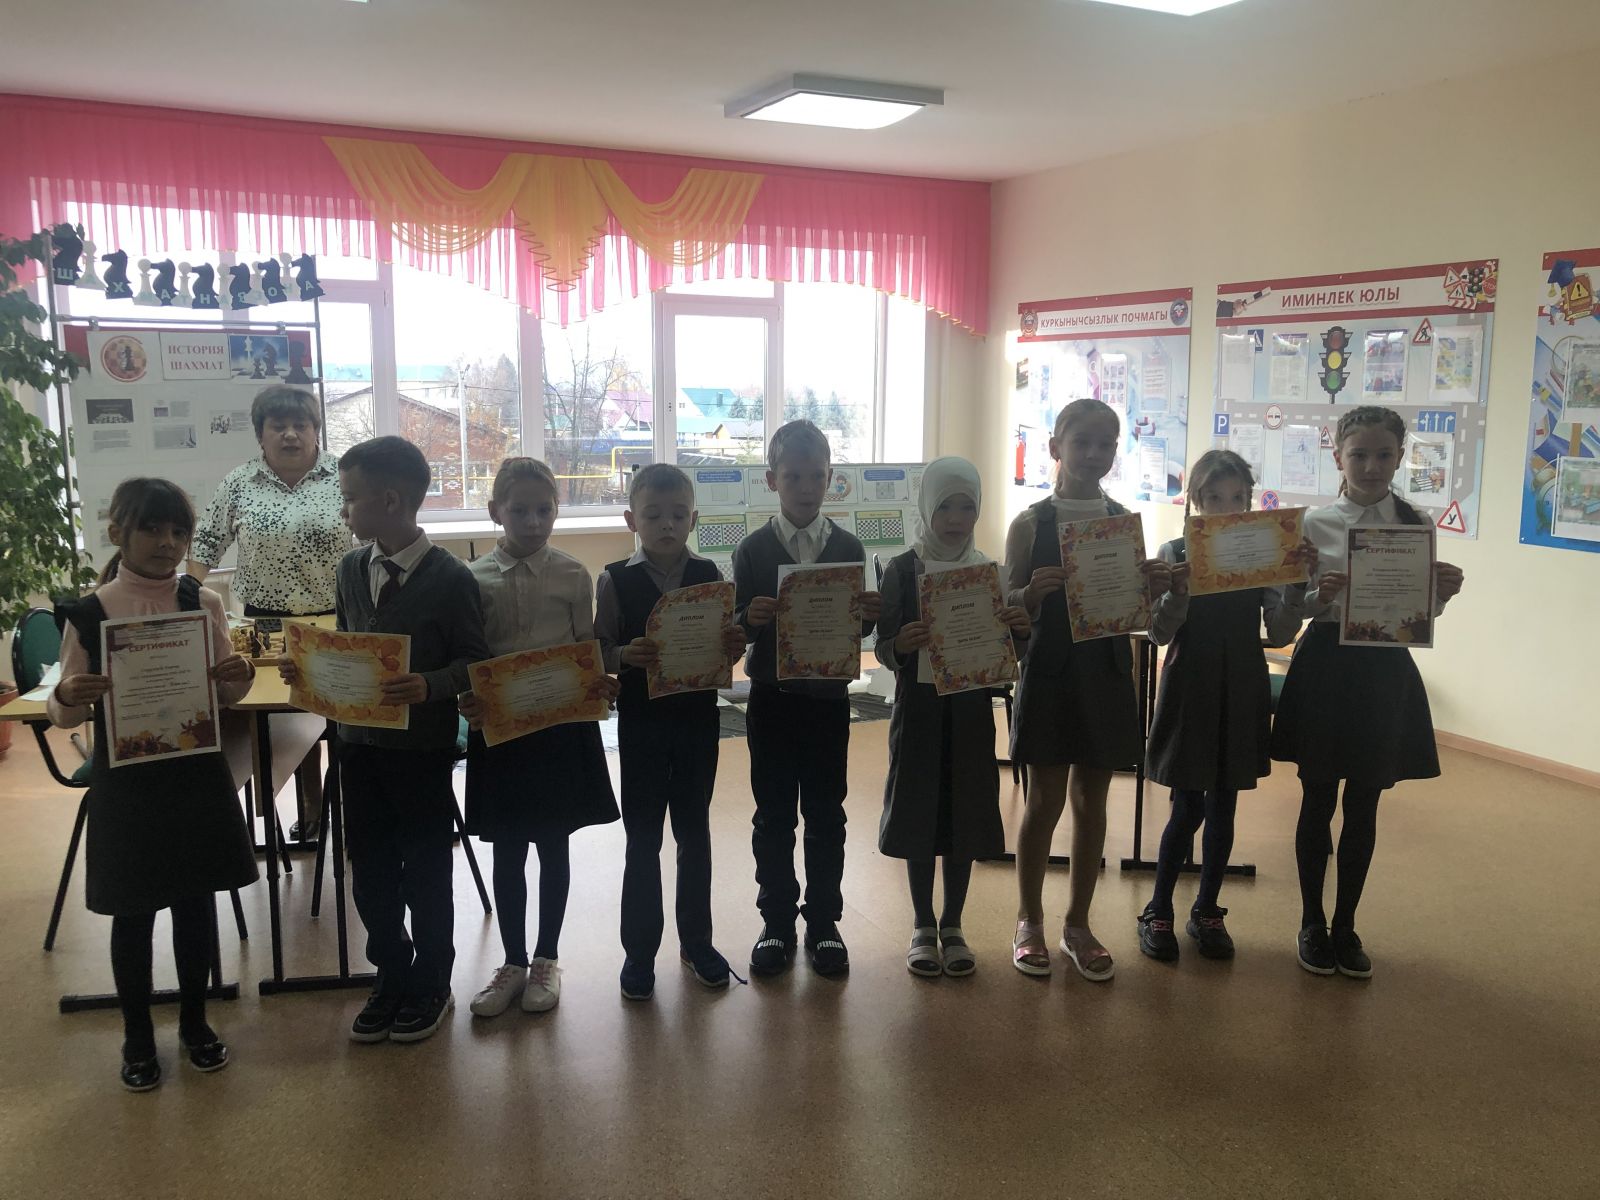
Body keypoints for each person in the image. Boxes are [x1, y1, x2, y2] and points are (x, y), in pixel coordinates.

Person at [49, 478, 259, 1092]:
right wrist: (69, 694)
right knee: (133, 911)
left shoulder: (203, 600)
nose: (167, 542)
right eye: (152, 529)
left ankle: (195, 1022)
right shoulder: (91, 612)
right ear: (118, 533)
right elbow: (62, 711)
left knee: (196, 904)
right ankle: (137, 1035)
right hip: (129, 781)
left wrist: (239, 673)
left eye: (178, 531)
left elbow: (226, 693)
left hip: (194, 771)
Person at [280, 436, 489, 1043]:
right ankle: (390, 972)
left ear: (391, 500)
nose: (343, 511)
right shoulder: (351, 569)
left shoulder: (450, 578)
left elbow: (475, 663)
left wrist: (428, 685)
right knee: (369, 870)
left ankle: (432, 982)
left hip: (420, 752)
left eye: (350, 499)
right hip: (357, 748)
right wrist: (309, 670)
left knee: (425, 870)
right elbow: (349, 647)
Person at [1271, 406, 1465, 979]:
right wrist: (1318, 595)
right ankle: (1311, 922)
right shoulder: (1312, 524)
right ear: (1338, 457)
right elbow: (1299, 608)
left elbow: (1419, 612)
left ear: (1400, 457)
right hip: (1326, 666)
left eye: (1384, 455)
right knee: (1317, 797)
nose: (1372, 465)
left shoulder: (1416, 522)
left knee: (1364, 803)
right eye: (1359, 454)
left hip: (1383, 671)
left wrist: (1443, 595)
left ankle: (1346, 925)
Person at [1004, 399, 1169, 980]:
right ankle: (1028, 919)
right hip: (1050, 673)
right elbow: (1006, 607)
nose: (1095, 454)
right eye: (1083, 442)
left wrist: (1151, 590)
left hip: (1106, 672)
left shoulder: (1123, 521)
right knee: (1044, 800)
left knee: (1092, 803)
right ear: (1056, 447)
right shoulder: (1030, 524)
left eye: (1107, 444)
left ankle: (1078, 922)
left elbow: (1136, 613)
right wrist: (1028, 595)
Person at [1135, 450, 1313, 963]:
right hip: (1190, 683)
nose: (1225, 508)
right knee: (1187, 805)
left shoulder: (1260, 554)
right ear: (1195, 500)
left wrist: (1296, 585)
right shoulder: (1174, 551)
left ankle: (1207, 910)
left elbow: (1281, 630)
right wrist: (1178, 593)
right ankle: (1159, 909)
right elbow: (1158, 632)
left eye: (1237, 498)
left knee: (1224, 804)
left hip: (1240, 683)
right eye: (1213, 497)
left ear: (1249, 502)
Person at [459, 459, 619, 1018]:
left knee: (554, 843)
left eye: (544, 510)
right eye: (519, 510)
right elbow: (469, 658)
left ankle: (547, 958)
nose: (532, 521)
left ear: (556, 511)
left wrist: (599, 682)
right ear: (495, 512)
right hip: (502, 734)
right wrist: (468, 699)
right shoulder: (472, 579)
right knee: (507, 847)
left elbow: (585, 649)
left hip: (559, 732)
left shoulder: (573, 575)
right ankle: (512, 961)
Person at [733, 420, 882, 977]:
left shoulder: (848, 547)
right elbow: (738, 630)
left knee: (825, 813)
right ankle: (775, 922)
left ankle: (823, 922)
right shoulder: (752, 549)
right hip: (771, 701)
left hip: (826, 703)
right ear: (772, 479)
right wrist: (749, 617)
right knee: (773, 816)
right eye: (793, 476)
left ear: (830, 478)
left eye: (816, 476)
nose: (805, 487)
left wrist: (868, 618)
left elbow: (856, 632)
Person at [875, 456, 1031, 977]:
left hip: (969, 714)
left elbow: (1008, 654)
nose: (956, 519)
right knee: (919, 812)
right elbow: (883, 646)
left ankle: (954, 924)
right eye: (946, 507)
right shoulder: (903, 570)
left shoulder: (988, 573)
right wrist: (901, 643)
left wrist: (1018, 629)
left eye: (967, 508)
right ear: (927, 508)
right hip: (919, 713)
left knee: (964, 812)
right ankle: (922, 924)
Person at [596, 464, 747, 1000]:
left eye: (678, 515)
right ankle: (638, 953)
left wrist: (733, 644)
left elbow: (727, 645)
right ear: (631, 519)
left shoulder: (710, 574)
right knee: (642, 839)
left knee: (694, 834)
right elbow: (598, 648)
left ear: (693, 519)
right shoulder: (614, 579)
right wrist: (623, 654)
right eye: (654, 514)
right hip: (642, 725)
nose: (667, 524)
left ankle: (697, 943)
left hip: (697, 723)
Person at [190, 384, 350, 842]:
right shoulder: (240, 482)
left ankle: (352, 808)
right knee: (280, 719)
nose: (290, 434)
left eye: (300, 425)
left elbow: (376, 539)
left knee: (342, 714)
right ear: (261, 434)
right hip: (265, 623)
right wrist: (184, 602)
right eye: (278, 426)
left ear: (316, 430)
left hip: (336, 618)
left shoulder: (343, 476)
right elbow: (205, 543)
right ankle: (311, 807)